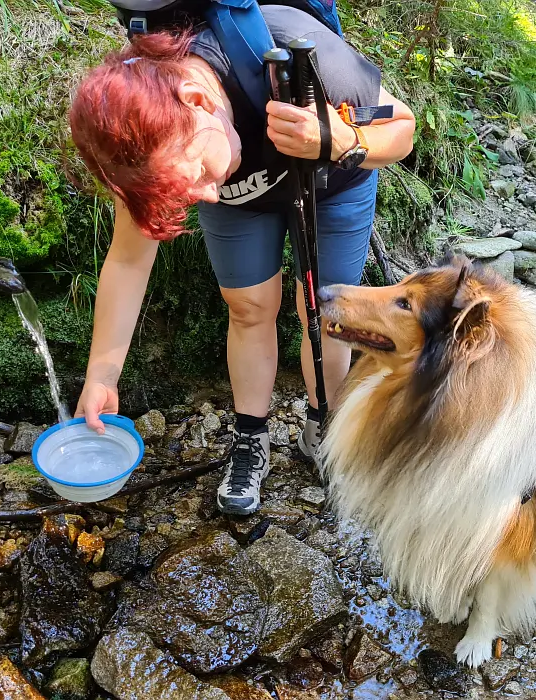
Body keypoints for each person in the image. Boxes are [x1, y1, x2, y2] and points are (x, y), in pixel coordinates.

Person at [68, 5, 415, 516]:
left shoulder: (296, 50)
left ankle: (324, 424)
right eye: (185, 191)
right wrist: (101, 375)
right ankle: (251, 437)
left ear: (197, 100)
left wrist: (345, 142)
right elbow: (127, 261)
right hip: (246, 204)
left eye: (198, 173)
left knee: (326, 311)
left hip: (333, 183)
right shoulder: (135, 139)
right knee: (249, 307)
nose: (205, 195)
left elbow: (403, 129)